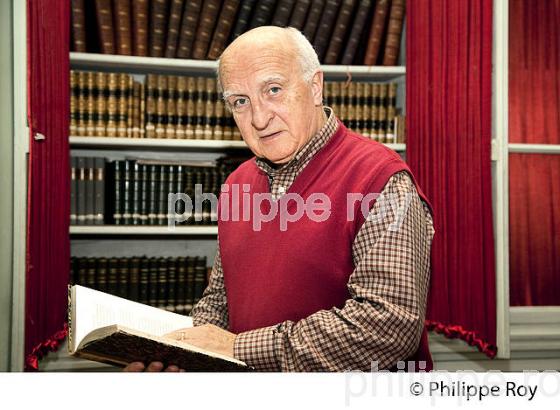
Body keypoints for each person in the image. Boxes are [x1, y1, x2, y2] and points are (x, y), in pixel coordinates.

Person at [125, 26, 434, 373]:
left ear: (315, 87)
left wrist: (237, 347)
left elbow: (388, 326)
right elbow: (219, 300)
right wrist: (186, 355)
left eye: (273, 90)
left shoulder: (382, 179)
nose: (258, 118)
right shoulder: (237, 183)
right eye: (240, 101)